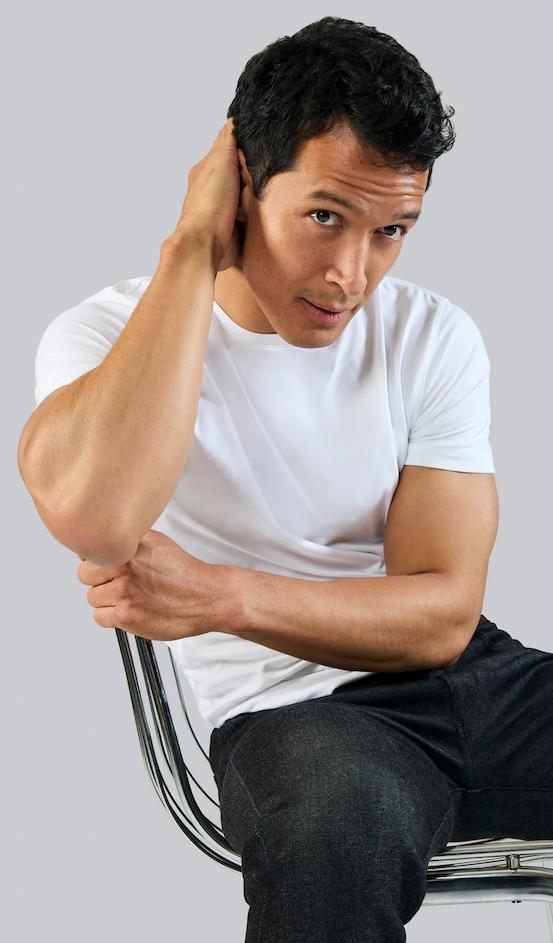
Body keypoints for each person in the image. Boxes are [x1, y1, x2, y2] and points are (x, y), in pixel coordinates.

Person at [17, 16, 553, 943]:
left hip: (478, 682)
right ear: (241, 187)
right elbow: (95, 519)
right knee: (338, 832)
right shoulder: (102, 338)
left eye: (390, 231)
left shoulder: (432, 335)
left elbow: (440, 614)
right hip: (295, 715)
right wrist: (190, 247)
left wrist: (217, 594)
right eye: (324, 217)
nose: (350, 274)